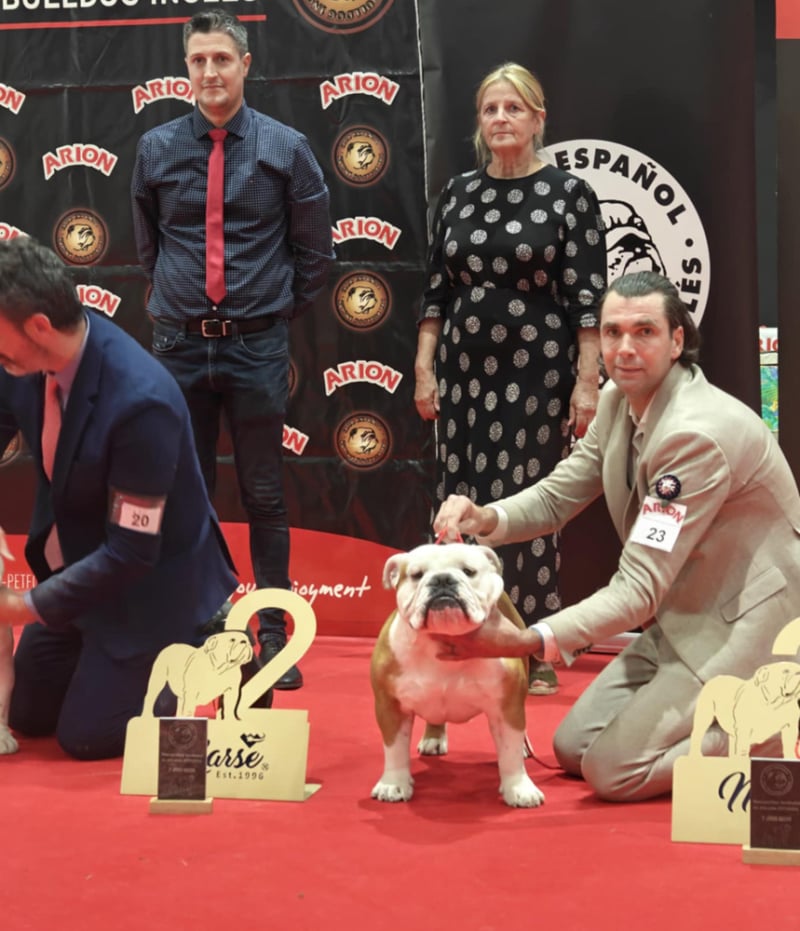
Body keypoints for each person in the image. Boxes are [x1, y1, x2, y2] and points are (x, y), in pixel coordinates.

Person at [432, 270, 800, 801]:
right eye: (612, 332)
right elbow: (558, 497)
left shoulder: (696, 435)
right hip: (688, 617)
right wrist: (485, 517)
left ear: (677, 341)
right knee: (572, 748)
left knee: (612, 772)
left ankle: (772, 729)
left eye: (644, 332)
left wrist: (527, 642)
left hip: (751, 627)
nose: (624, 349)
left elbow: (638, 589)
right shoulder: (616, 401)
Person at [131, 12, 335, 690]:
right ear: (186, 68)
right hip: (178, 346)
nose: (210, 72)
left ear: (246, 64)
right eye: (198, 60)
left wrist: (267, 311)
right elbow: (148, 247)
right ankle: (199, 627)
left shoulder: (286, 147)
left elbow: (315, 253)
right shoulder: (156, 148)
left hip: (255, 347)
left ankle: (273, 636)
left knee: (264, 492)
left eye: (222, 58)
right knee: (186, 491)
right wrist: (181, 301)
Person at [0, 236, 241, 760]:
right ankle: (96, 653)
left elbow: (131, 551)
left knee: (86, 737)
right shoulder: (20, 361)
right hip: (81, 568)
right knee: (27, 714)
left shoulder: (139, 401)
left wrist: (23, 606)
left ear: (38, 327)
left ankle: (200, 637)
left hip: (151, 585)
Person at [414, 62, 607, 696]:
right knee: (460, 496)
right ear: (479, 121)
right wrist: (424, 366)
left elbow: (587, 300)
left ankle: (531, 644)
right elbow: (436, 291)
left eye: (514, 108)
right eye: (491, 109)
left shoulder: (569, 194)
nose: (501, 118)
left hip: (536, 373)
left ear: (537, 118)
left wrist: (586, 383)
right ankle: (456, 632)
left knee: (524, 501)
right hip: (462, 373)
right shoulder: (458, 192)